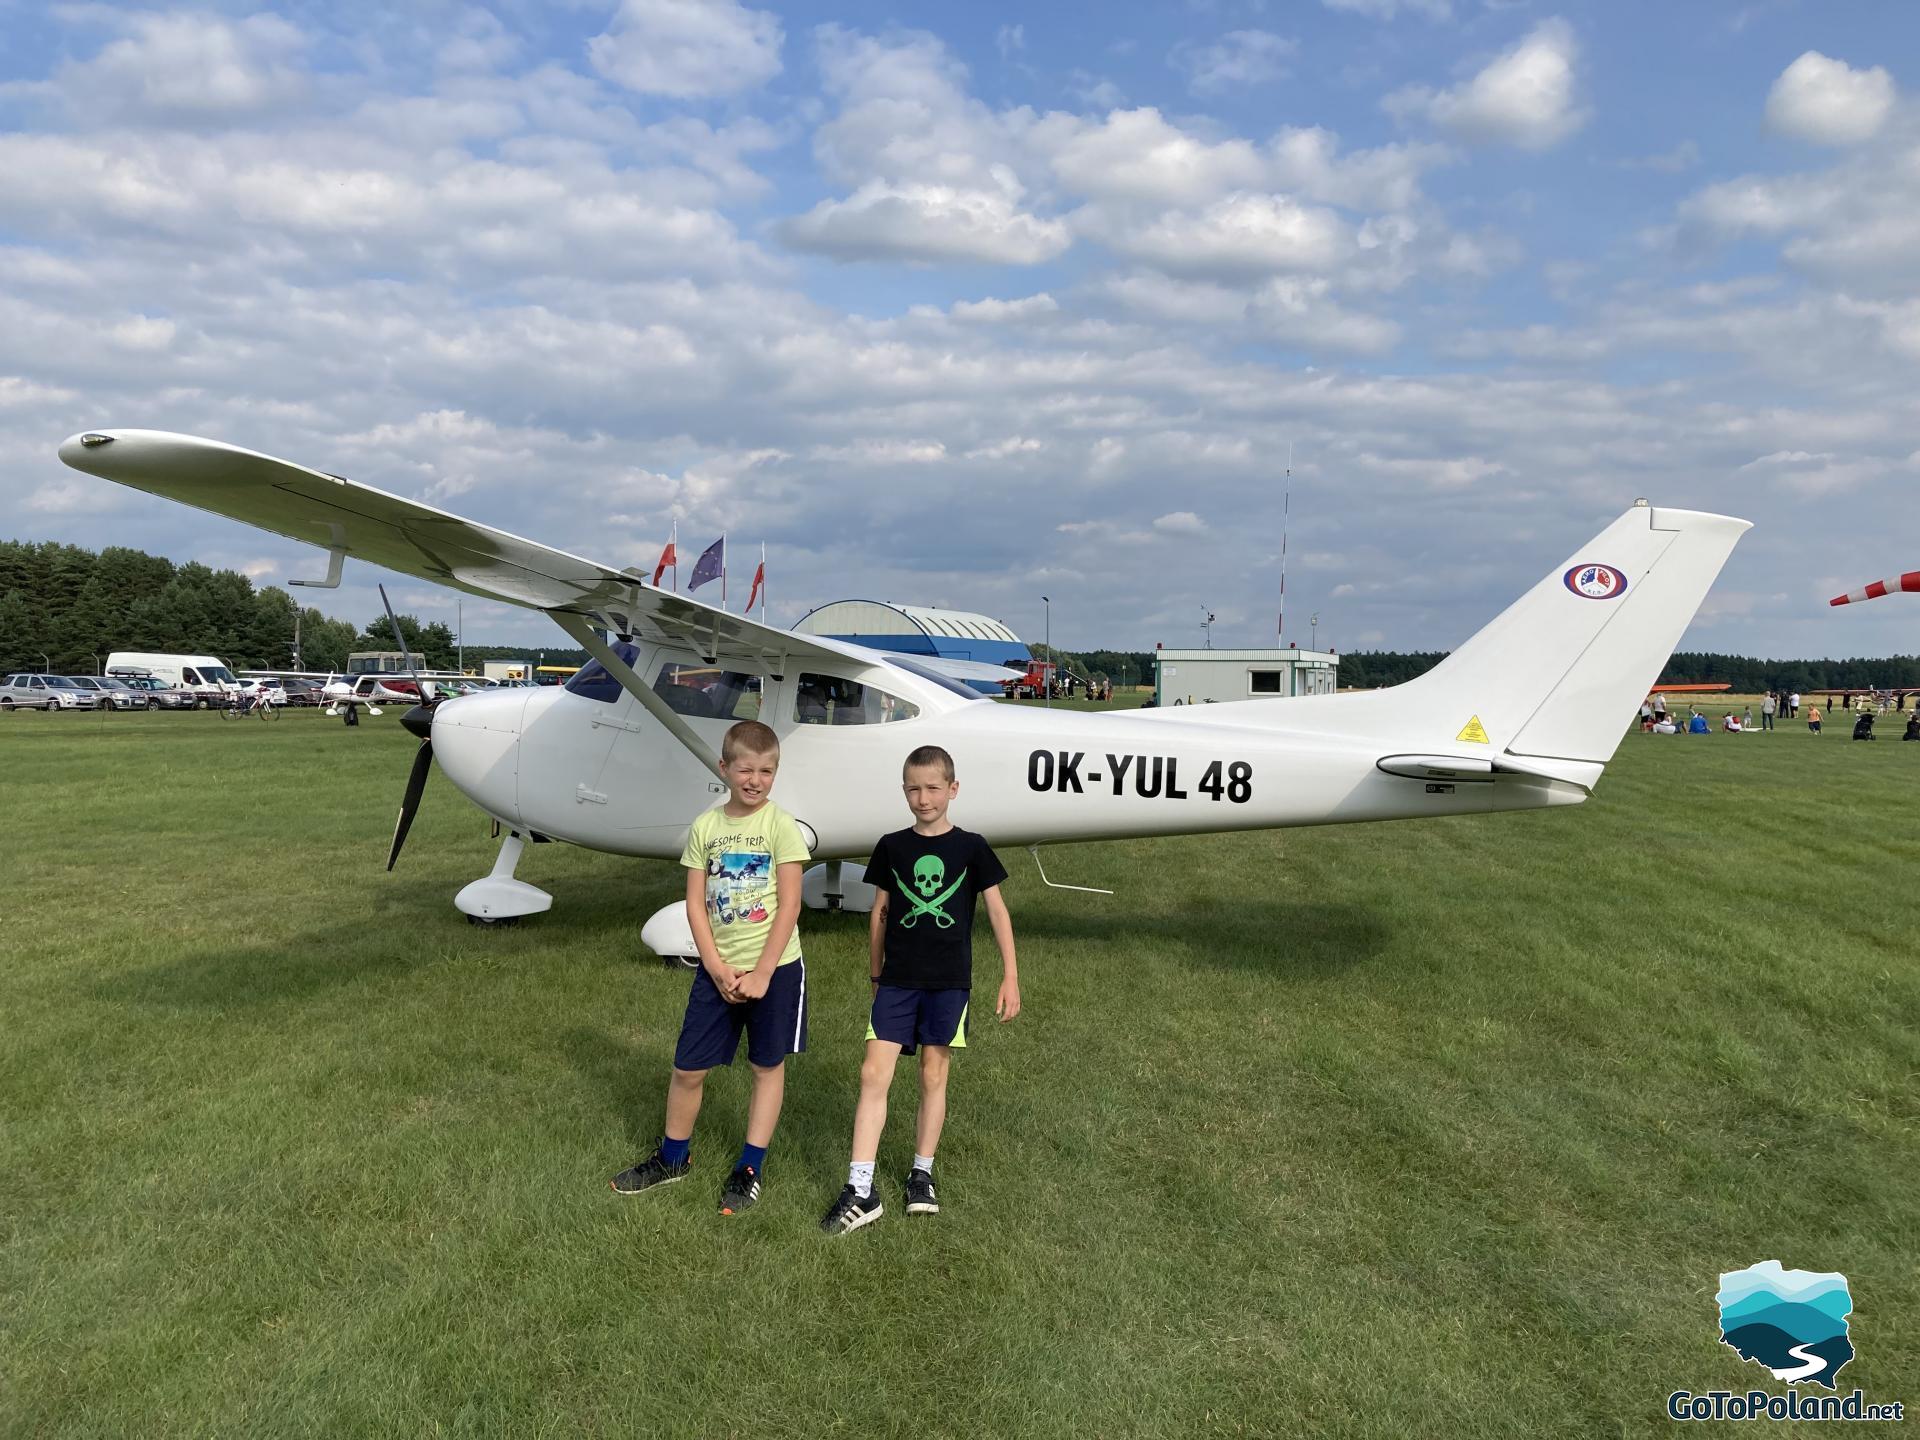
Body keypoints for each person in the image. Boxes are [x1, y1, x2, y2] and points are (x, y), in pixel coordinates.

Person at [611, 719, 812, 1215]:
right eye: (746, 769)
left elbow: (789, 906)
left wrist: (762, 973)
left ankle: (749, 1167)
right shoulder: (707, 827)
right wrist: (716, 966)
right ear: (725, 768)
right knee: (687, 1067)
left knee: (766, 1067)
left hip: (776, 970)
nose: (756, 780)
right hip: (717, 970)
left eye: (767, 771)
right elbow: (696, 905)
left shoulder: (781, 826)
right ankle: (673, 1157)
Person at [821, 744, 1019, 1235]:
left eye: (933, 787)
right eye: (913, 787)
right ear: (903, 791)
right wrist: (874, 974)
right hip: (896, 982)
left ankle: (920, 1173)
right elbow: (880, 913)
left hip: (949, 983)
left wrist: (1010, 975)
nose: (923, 797)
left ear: (953, 789)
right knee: (873, 1072)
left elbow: (997, 911)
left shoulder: (972, 846)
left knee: (933, 1076)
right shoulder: (892, 845)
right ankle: (861, 1188)